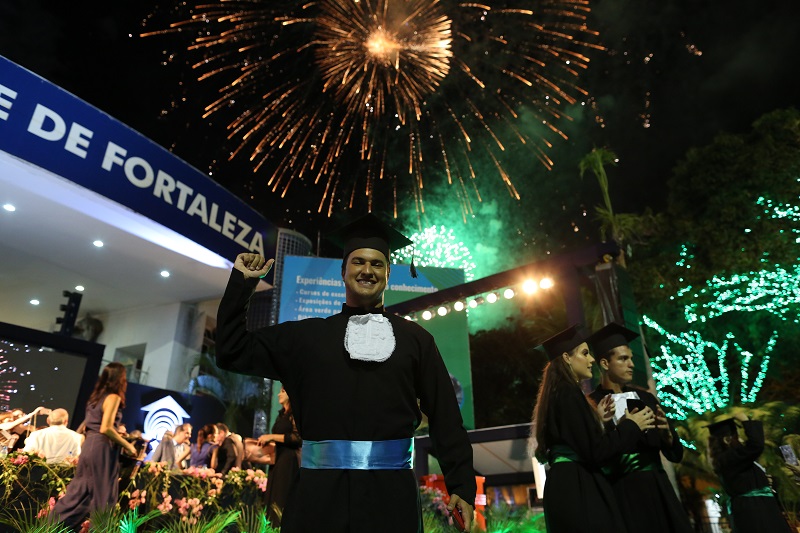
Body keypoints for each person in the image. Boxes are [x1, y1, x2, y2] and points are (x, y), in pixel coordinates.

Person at [215, 213, 476, 532]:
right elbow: (231, 351)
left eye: (377, 264)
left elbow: (446, 416)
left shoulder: (416, 340)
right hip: (318, 498)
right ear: (342, 271)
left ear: (388, 275)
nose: (367, 270)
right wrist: (242, 283)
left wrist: (462, 486)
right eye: (358, 262)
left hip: (391, 499)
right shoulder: (305, 338)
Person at [530, 325, 656, 533]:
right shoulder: (569, 393)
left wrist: (595, 419)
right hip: (577, 487)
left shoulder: (557, 392)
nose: (591, 360)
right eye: (585, 353)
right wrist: (632, 425)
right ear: (567, 357)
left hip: (565, 484)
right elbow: (596, 451)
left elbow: (571, 438)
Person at [586, 322, 693, 533]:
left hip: (659, 489)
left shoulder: (646, 398)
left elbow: (675, 454)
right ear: (605, 363)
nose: (631, 364)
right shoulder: (591, 404)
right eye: (623, 359)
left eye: (632, 358)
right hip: (623, 495)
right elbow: (595, 453)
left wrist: (668, 437)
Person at [52, 362, 138, 530]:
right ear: (119, 379)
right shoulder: (113, 397)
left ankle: (46, 527)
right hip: (102, 448)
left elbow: (92, 425)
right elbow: (105, 428)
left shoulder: (95, 398)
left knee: (78, 495)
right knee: (104, 499)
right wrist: (128, 445)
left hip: (90, 445)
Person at [707, 414, 792, 533]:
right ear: (727, 440)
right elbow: (756, 445)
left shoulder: (728, 459)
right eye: (738, 437)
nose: (742, 441)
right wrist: (745, 421)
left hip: (757, 508)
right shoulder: (729, 458)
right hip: (755, 512)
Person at [258, 385, 302, 527]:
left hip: (288, 461)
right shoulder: (281, 414)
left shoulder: (294, 413)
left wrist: (271, 437)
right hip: (278, 460)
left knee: (282, 496)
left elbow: (297, 438)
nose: (278, 395)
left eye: (282, 391)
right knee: (273, 497)